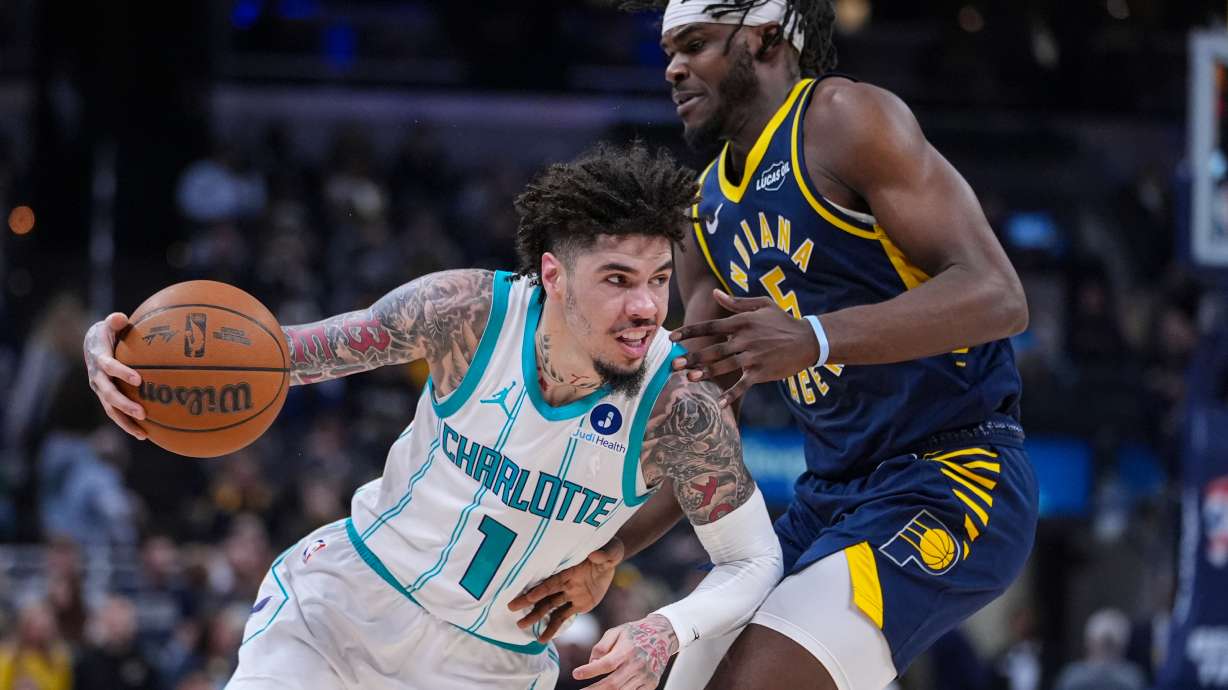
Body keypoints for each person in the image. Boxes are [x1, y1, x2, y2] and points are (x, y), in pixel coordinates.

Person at [83, 142, 784, 689]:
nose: (646, 308)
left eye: (659, 280)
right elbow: (276, 359)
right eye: (618, 280)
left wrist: (665, 628)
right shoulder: (467, 315)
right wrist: (122, 352)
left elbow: (753, 558)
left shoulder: (679, 406)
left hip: (492, 667)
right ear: (553, 276)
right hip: (344, 607)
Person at [519, 1, 1038, 688]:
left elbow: (1001, 298)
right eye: (670, 50)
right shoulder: (703, 213)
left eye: (696, 44)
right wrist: (613, 548)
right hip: (828, 495)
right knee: (681, 679)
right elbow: (703, 429)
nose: (673, 68)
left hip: (954, 472)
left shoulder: (843, 120)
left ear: (765, 40)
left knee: (757, 677)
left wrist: (814, 339)